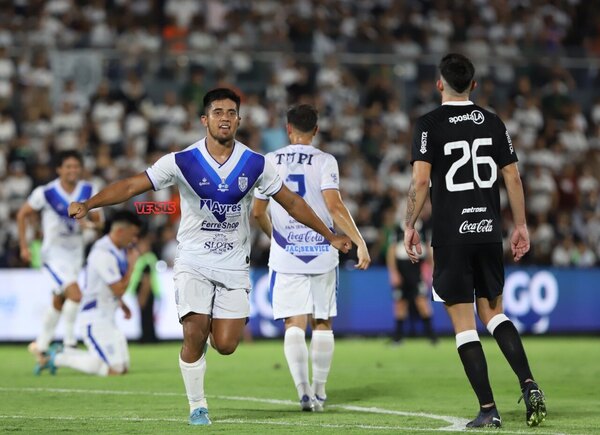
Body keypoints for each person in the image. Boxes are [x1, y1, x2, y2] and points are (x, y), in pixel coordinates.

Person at [68, 88, 352, 426]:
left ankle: (204, 344)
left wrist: (329, 234)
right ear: (205, 119)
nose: (225, 118)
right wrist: (90, 204)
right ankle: (197, 404)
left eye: (231, 113)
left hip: (233, 264)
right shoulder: (182, 161)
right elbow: (133, 186)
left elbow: (293, 203)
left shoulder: (256, 163)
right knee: (194, 332)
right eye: (218, 112)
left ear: (239, 120)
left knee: (227, 345)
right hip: (193, 260)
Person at [403, 53, 547, 428]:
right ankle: (529, 383)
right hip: (488, 232)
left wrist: (409, 224)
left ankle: (488, 409)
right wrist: (521, 225)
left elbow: (420, 182)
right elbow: (512, 178)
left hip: (452, 236)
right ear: (474, 85)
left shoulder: (428, 124)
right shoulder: (494, 121)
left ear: (439, 83)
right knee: (494, 313)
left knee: (465, 325)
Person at [252, 104, 371, 412]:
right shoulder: (325, 160)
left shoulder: (269, 160)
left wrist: (275, 237)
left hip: (286, 251)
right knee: (322, 320)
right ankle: (319, 390)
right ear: (316, 130)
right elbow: (334, 207)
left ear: (288, 129)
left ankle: (303, 390)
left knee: (294, 321)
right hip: (321, 249)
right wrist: (358, 240)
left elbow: (257, 212)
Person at [16, 150, 103, 371]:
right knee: (75, 294)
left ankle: (42, 346)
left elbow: (99, 222)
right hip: (53, 255)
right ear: (59, 169)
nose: (73, 170)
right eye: (68, 166)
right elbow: (22, 214)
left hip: (75, 254)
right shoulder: (45, 192)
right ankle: (70, 343)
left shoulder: (88, 190)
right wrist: (24, 246)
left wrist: (89, 221)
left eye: (76, 166)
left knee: (60, 299)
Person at [39, 211, 141, 376]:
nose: (134, 239)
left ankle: (63, 354)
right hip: (95, 318)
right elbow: (119, 288)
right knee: (114, 370)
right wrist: (132, 266)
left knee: (123, 368)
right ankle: (59, 357)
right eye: (133, 234)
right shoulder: (103, 253)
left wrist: (122, 304)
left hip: (108, 316)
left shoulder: (117, 250)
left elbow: (108, 286)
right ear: (120, 231)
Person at [386, 209, 437, 345]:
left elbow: (429, 248)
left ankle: (432, 336)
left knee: (421, 301)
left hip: (417, 268)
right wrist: (394, 272)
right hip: (402, 268)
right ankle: (398, 337)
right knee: (400, 303)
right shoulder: (398, 229)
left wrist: (431, 269)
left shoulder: (424, 227)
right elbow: (391, 252)